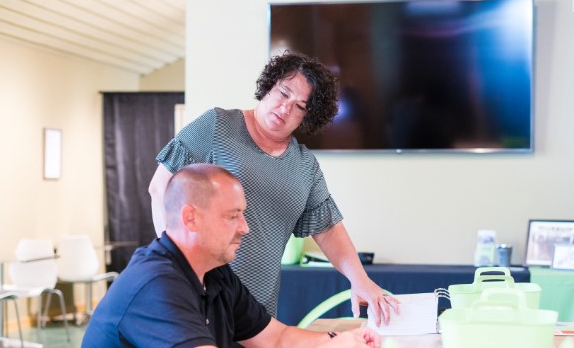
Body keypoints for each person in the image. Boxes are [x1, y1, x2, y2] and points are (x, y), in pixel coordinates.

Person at [74, 164, 381, 348]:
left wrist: (341, 343)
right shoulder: (153, 284)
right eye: (232, 216)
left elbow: (276, 340)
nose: (245, 227)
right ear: (190, 218)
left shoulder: (213, 272)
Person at [149, 50, 399, 324]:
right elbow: (160, 188)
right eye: (284, 93)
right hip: (197, 300)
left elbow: (328, 228)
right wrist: (178, 267)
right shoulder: (217, 125)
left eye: (300, 106)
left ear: (308, 116)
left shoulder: (305, 166)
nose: (285, 108)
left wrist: (360, 279)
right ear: (269, 85)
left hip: (258, 313)